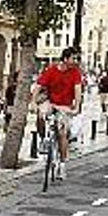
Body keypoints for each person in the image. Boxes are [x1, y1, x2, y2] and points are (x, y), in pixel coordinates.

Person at [32, 47, 83, 180]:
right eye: (73, 58)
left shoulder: (75, 72)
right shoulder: (52, 70)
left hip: (65, 106)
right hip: (51, 103)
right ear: (65, 59)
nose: (76, 61)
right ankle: (43, 139)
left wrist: (76, 107)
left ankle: (62, 164)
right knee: (41, 114)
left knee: (62, 134)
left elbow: (78, 91)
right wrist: (33, 102)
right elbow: (38, 85)